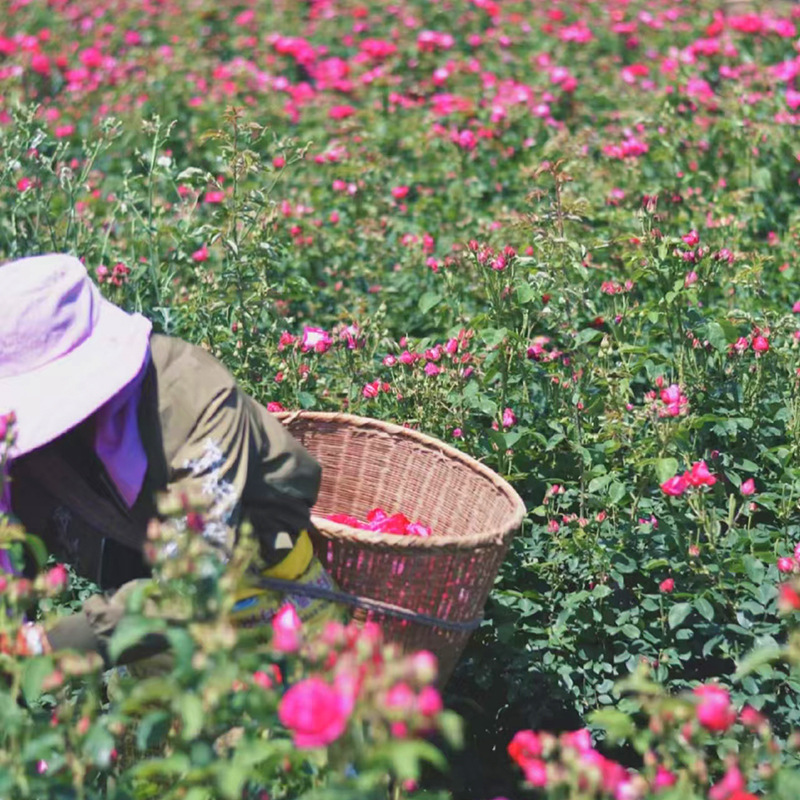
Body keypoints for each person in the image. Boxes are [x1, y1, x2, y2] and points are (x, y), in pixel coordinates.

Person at [0, 253, 335, 664]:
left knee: (297, 700)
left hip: (263, 595)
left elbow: (196, 577)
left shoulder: (194, 397)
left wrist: (46, 643)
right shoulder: (28, 449)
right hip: (141, 624)